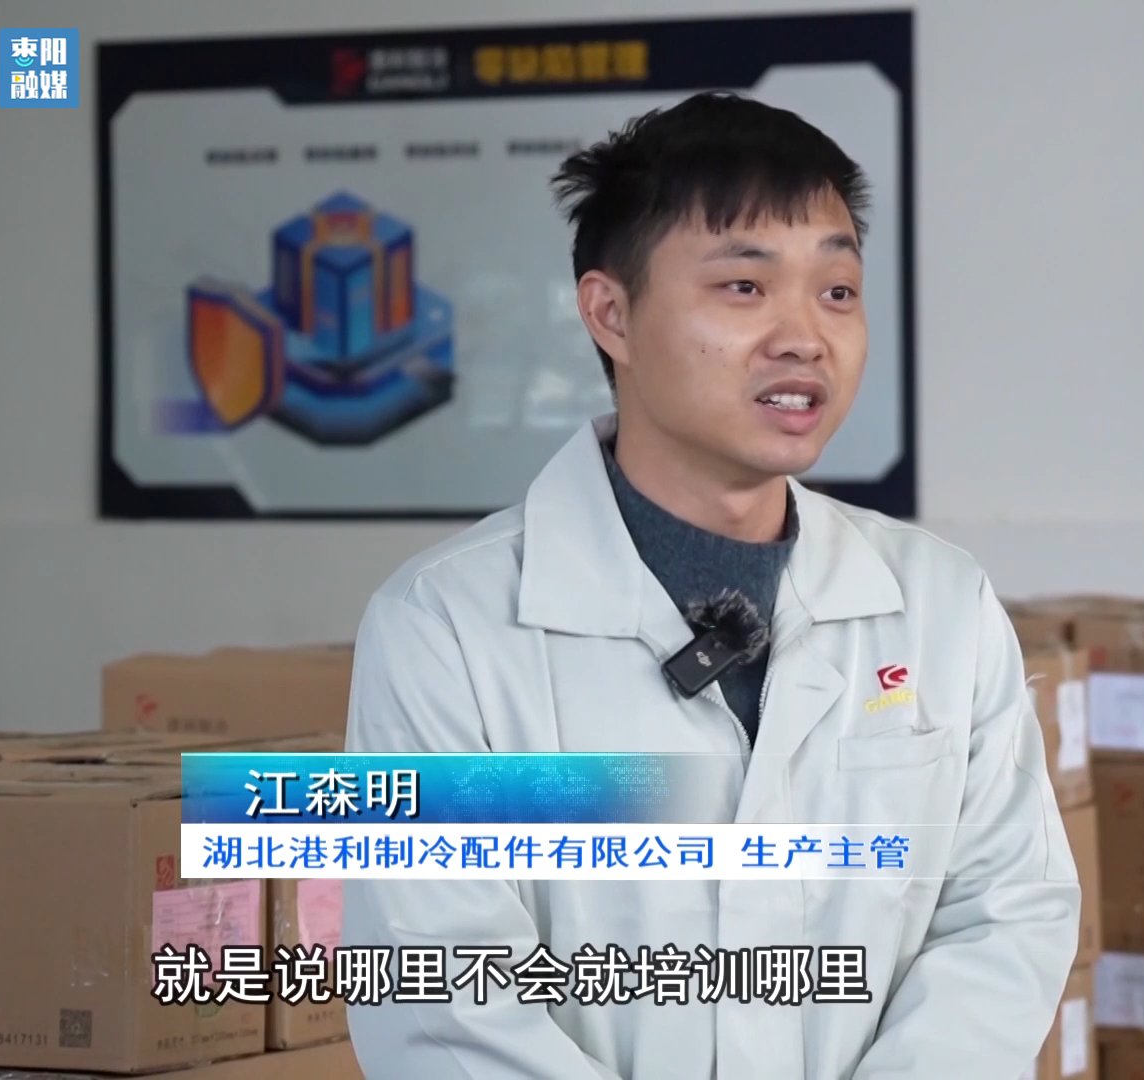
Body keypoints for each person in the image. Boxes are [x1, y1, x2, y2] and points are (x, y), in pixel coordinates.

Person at [340, 91, 1082, 1079]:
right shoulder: (446, 627)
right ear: (611, 314)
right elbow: (441, 997)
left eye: (837, 291)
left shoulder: (941, 605)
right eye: (744, 286)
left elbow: (1005, 914)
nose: (804, 337)